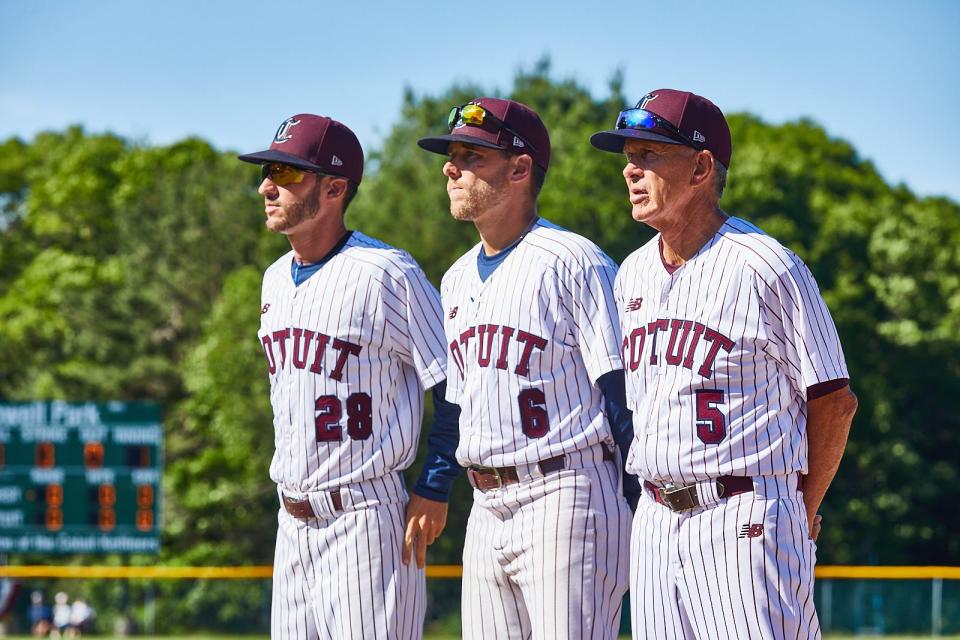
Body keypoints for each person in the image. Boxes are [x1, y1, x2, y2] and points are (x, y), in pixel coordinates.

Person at [589, 89, 859, 639]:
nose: (631, 171)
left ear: (701, 166)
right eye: (628, 157)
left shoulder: (767, 267)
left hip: (744, 516)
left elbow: (834, 400)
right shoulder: (632, 275)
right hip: (657, 518)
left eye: (649, 155)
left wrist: (801, 509)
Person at [409, 97, 637, 639]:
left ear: (519, 168)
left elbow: (624, 396)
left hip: (568, 491)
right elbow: (456, 405)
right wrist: (438, 483)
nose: (451, 166)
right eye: (452, 154)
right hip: (486, 502)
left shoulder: (574, 261)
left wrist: (641, 506)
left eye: (471, 156)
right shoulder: (457, 279)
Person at [238, 113, 450, 639]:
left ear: (334, 187)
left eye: (287, 174)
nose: (267, 186)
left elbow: (454, 384)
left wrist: (436, 483)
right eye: (268, 170)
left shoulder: (387, 272)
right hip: (291, 519)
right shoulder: (272, 281)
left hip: (365, 518)